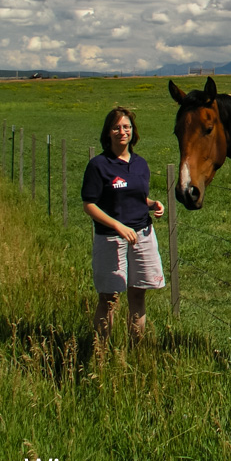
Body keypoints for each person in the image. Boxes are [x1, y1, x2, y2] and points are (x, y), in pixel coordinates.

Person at [81, 107, 165, 345]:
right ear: (108, 132)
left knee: (138, 294)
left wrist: (153, 204)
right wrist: (118, 226)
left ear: (132, 131)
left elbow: (136, 197)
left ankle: (136, 348)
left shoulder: (140, 164)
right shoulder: (99, 165)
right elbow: (89, 205)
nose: (122, 131)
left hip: (142, 235)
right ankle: (102, 351)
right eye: (116, 127)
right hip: (111, 238)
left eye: (126, 127)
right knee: (110, 298)